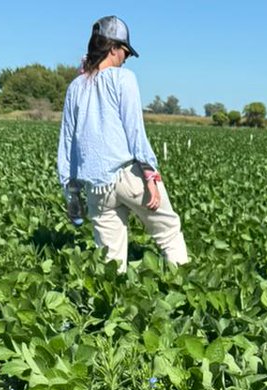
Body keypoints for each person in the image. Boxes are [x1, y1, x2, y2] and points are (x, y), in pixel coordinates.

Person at [57, 15, 189, 271]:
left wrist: (71, 192)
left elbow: (68, 142)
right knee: (169, 232)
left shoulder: (75, 86)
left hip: (96, 187)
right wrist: (151, 175)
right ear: (113, 48)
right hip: (130, 177)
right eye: (125, 52)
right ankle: (186, 293)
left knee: (111, 259)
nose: (126, 58)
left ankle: (111, 307)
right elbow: (134, 130)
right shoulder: (124, 79)